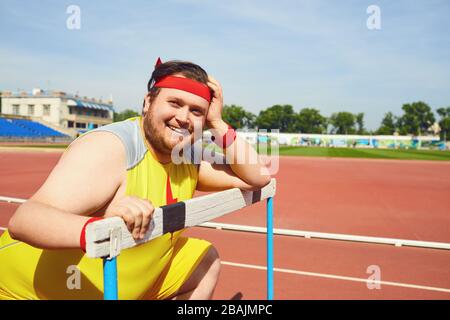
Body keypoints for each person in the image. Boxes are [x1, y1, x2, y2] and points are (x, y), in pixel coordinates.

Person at [0, 59, 271, 300]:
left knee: (203, 260)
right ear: (147, 102)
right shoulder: (112, 147)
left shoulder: (186, 156)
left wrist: (219, 123)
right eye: (174, 103)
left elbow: (256, 176)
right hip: (28, 292)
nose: (184, 118)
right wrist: (100, 226)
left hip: (124, 284)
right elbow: (24, 221)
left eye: (197, 111)